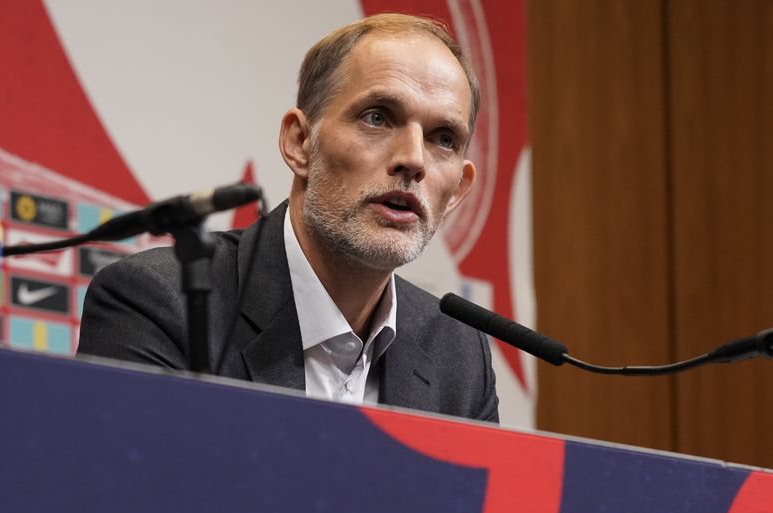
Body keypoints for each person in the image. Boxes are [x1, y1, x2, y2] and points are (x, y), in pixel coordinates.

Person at [77, 13, 499, 423]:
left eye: (443, 139)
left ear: (457, 192)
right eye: (377, 117)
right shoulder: (160, 303)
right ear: (300, 143)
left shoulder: (459, 355)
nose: (412, 160)